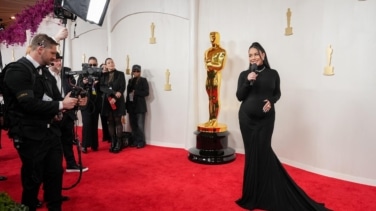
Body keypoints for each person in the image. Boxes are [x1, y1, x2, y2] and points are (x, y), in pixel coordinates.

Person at [235, 42, 331, 211]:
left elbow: (277, 93)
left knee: (263, 152)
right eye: (250, 55)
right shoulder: (244, 74)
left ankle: (268, 192)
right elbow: (239, 96)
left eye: (256, 54)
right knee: (251, 154)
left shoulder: (273, 74)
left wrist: (271, 101)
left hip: (266, 120)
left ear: (263, 55)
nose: (253, 57)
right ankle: (252, 195)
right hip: (246, 119)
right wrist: (247, 82)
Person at [3, 33, 87, 211]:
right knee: (33, 179)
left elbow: (55, 99)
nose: (55, 57)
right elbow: (27, 103)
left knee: (55, 175)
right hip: (29, 135)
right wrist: (59, 105)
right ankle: (29, 206)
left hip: (51, 134)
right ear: (40, 49)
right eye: (53, 52)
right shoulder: (17, 70)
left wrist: (70, 104)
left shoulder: (44, 73)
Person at [47, 52, 88, 172]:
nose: (59, 63)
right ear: (50, 61)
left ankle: (71, 164)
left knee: (68, 140)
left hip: (68, 113)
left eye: (60, 60)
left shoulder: (67, 73)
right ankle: (56, 167)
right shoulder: (45, 75)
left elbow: (74, 89)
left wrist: (79, 98)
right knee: (55, 143)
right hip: (54, 112)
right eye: (56, 60)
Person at [77, 57, 110, 153]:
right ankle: (85, 145)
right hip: (85, 102)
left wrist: (98, 83)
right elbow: (78, 85)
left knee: (94, 124)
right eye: (90, 64)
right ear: (87, 65)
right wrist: (83, 82)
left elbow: (105, 86)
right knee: (87, 123)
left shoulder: (100, 74)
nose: (92, 66)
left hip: (96, 102)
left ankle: (94, 145)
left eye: (94, 64)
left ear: (97, 64)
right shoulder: (83, 74)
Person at [100, 58, 126, 153]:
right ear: (106, 65)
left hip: (118, 101)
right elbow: (102, 87)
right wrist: (112, 92)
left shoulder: (120, 74)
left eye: (112, 62)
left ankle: (119, 143)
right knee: (110, 122)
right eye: (108, 63)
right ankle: (113, 141)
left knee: (118, 121)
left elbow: (122, 87)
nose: (111, 64)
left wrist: (116, 96)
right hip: (107, 101)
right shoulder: (103, 75)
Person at [204, 31, 226, 127]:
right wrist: (211, 65)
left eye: (213, 37)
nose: (211, 39)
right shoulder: (207, 51)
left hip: (216, 76)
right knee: (210, 99)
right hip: (208, 76)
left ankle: (214, 119)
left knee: (215, 98)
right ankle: (210, 119)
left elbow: (220, 66)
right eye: (210, 37)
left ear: (217, 38)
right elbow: (207, 66)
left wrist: (210, 64)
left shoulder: (222, 51)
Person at [125, 64, 149, 149]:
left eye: (137, 71)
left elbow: (146, 93)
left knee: (140, 125)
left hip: (140, 107)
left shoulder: (143, 80)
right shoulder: (130, 81)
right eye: (134, 71)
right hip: (131, 106)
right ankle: (135, 141)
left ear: (140, 71)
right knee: (133, 125)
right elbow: (128, 94)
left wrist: (136, 92)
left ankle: (141, 142)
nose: (135, 72)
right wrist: (126, 106)